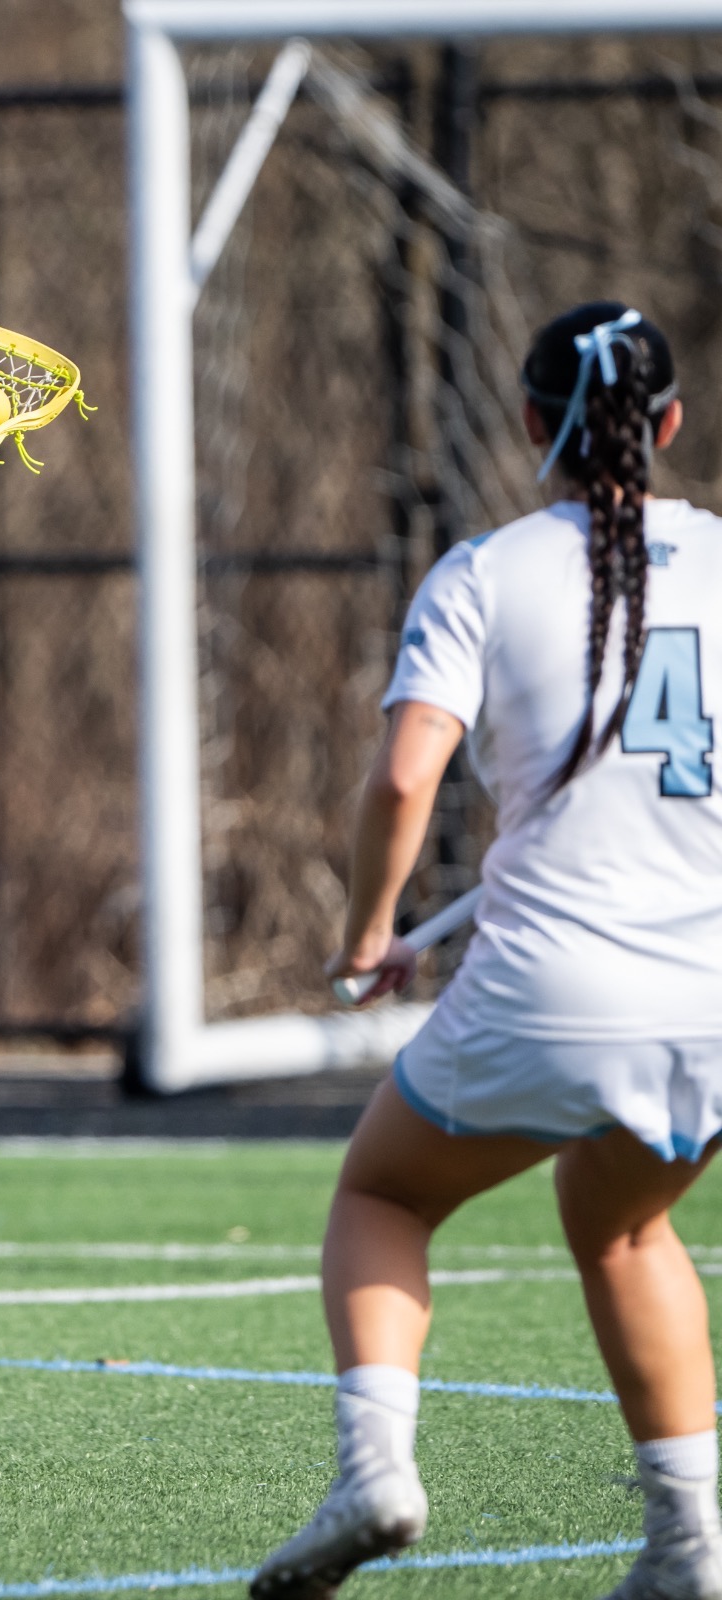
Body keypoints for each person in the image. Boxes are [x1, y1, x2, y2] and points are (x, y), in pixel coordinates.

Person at [252, 303, 722, 1600]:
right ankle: (690, 1549)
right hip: (715, 1003)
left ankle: (377, 1473)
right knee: (621, 1227)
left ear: (530, 425)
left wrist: (366, 933)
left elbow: (406, 779)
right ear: (672, 425)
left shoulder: (485, 571)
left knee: (383, 1197)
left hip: (556, 989)